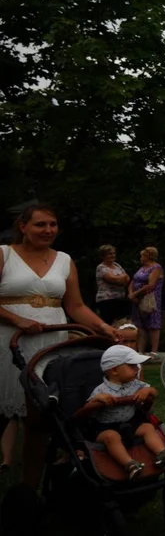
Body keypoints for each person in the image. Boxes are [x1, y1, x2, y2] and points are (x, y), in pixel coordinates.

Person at [0, 204, 120, 488]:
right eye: (40, 225)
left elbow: (76, 306)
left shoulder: (64, 260)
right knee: (3, 409)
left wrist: (102, 327)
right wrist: (18, 320)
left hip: (51, 342)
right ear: (23, 227)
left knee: (40, 418)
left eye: (53, 225)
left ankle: (30, 488)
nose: (48, 230)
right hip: (7, 341)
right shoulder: (4, 255)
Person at [73, 345, 165, 480]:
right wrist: (98, 400)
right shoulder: (101, 390)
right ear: (114, 370)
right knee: (111, 437)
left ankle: (163, 453)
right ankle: (129, 464)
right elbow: (87, 410)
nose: (137, 369)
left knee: (148, 427)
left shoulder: (135, 384)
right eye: (132, 366)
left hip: (130, 422)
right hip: (106, 427)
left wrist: (147, 391)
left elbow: (154, 392)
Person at [128, 246, 164, 356]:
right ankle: (140, 351)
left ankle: (154, 352)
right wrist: (131, 294)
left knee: (153, 324)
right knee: (139, 325)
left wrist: (135, 294)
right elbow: (133, 281)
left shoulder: (156, 268)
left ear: (147, 256)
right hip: (137, 300)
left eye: (142, 256)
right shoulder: (141, 268)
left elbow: (150, 285)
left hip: (150, 299)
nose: (140, 258)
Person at [94, 245, 131, 325]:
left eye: (114, 253)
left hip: (120, 298)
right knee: (110, 324)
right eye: (109, 254)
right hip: (107, 300)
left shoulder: (117, 265)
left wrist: (120, 279)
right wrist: (122, 277)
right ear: (103, 256)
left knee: (121, 324)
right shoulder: (101, 267)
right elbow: (113, 280)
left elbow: (127, 279)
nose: (113, 255)